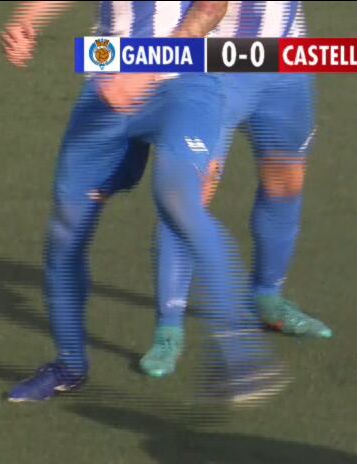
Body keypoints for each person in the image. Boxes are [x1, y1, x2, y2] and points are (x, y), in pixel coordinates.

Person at [0, 1, 286, 404]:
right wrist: (24, 21)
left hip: (184, 86)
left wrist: (147, 68)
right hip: (107, 90)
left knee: (178, 197)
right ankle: (69, 365)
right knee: (66, 229)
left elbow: (212, 6)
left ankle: (240, 352)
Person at [140, 0, 331, 380]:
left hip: (286, 64)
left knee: (285, 183)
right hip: (216, 63)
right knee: (191, 193)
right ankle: (169, 329)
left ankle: (267, 298)